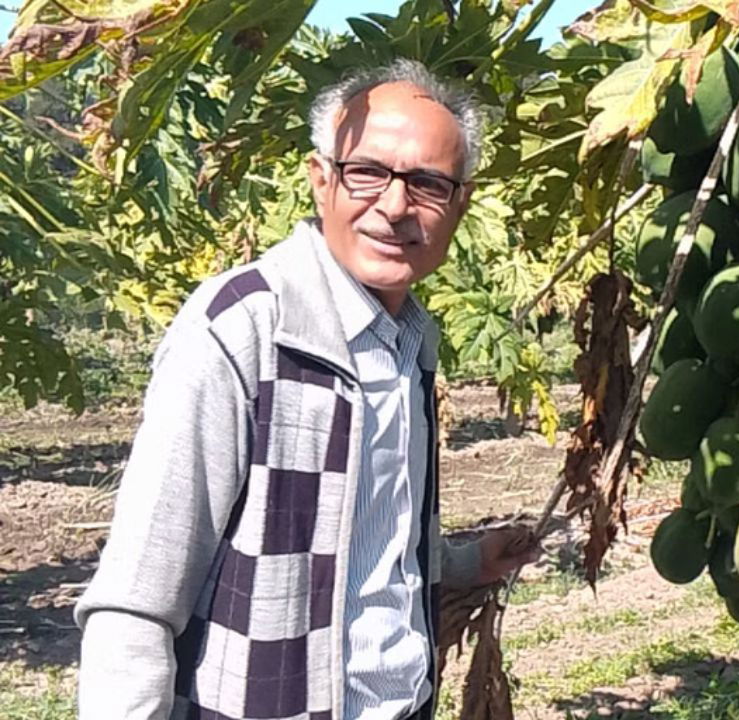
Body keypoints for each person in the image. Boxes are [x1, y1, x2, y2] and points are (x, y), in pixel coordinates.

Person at [75, 58, 537, 720]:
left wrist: (463, 564)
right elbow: (137, 600)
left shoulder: (411, 342)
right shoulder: (245, 328)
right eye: (368, 172)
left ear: (459, 204)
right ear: (321, 180)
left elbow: (364, 533)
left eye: (428, 184)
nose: (396, 205)